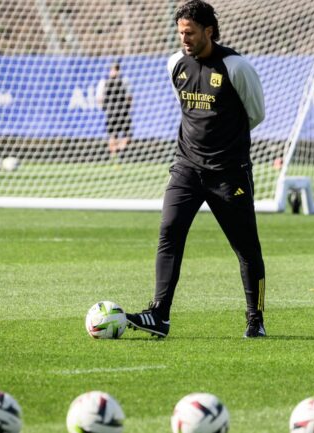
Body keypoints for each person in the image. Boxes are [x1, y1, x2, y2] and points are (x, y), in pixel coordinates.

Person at [125, 0, 267, 338]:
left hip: (228, 174)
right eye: (180, 34)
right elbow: (187, 109)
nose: (184, 40)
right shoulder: (175, 64)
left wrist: (226, 143)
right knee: (169, 233)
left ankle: (255, 319)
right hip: (186, 168)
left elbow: (256, 113)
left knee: (246, 248)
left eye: (190, 33)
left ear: (209, 31)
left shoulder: (235, 67)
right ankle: (159, 315)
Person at [97, 61, 133, 163]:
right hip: (119, 112)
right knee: (119, 135)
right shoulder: (121, 81)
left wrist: (104, 107)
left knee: (118, 135)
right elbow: (129, 97)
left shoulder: (107, 81)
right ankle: (117, 154)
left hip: (116, 112)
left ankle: (117, 154)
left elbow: (99, 98)